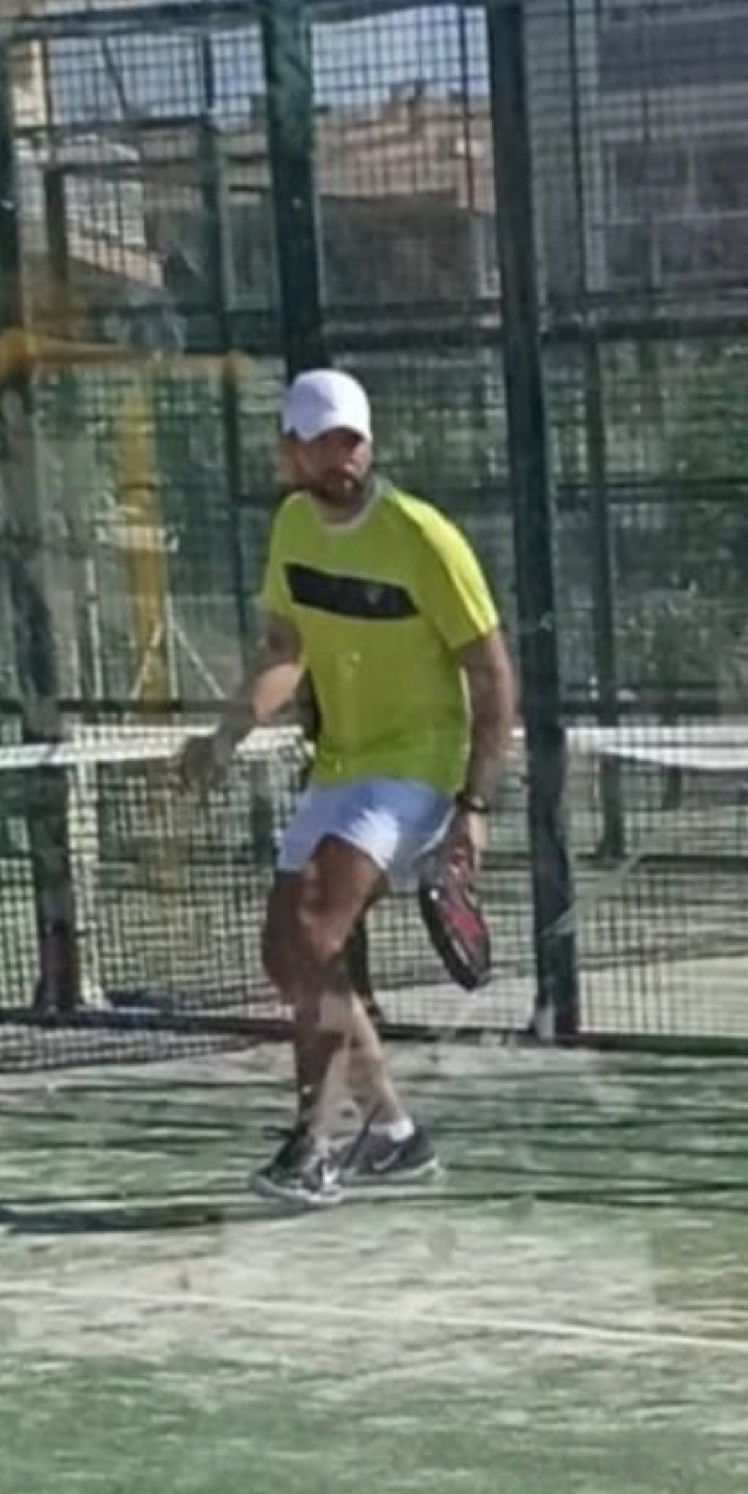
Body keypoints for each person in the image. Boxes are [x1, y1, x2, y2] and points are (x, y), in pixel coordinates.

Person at [180, 366, 516, 1209]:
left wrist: (473, 806)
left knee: (314, 922)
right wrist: (226, 733)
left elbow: (493, 675)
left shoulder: (423, 537)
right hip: (341, 762)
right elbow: (285, 651)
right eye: (323, 442)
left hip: (419, 764)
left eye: (353, 440)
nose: (342, 457)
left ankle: (315, 1142)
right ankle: (395, 1136)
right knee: (287, 951)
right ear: (290, 452)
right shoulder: (293, 527)